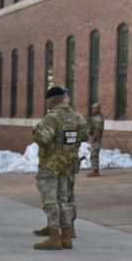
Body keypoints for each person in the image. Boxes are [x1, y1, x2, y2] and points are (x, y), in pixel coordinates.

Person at [32, 86, 86, 250]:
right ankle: (67, 236)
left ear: (51, 100)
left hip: (50, 165)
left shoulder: (52, 118)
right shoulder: (77, 117)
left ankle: (54, 236)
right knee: (64, 199)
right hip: (67, 165)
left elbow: (42, 139)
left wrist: (36, 130)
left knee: (50, 199)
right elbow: (84, 135)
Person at [85, 103, 104, 177]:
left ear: (98, 109)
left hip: (96, 139)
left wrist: (93, 138)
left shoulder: (98, 118)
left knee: (94, 154)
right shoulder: (95, 117)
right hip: (93, 138)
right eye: (92, 108)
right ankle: (94, 169)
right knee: (93, 154)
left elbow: (98, 130)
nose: (93, 110)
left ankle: (95, 170)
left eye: (94, 108)